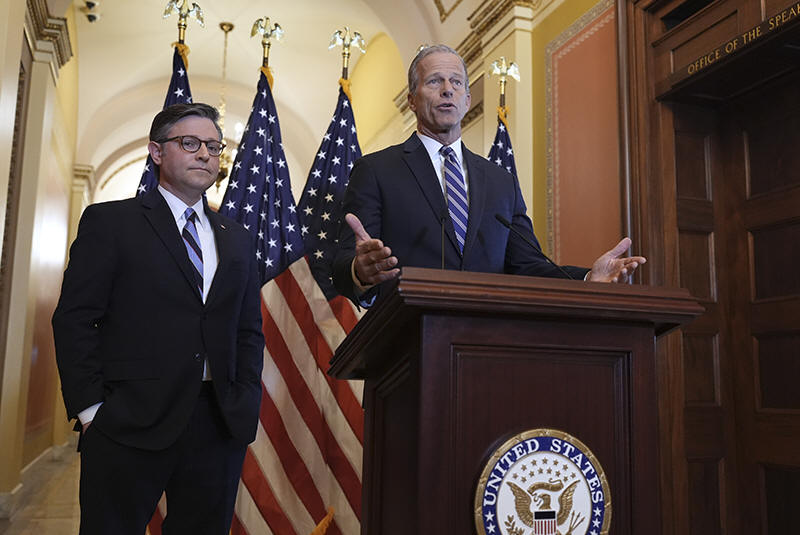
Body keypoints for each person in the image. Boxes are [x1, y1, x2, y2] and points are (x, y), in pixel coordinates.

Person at [52, 103, 265, 535]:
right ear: (156, 151)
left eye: (213, 146)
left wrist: (244, 399)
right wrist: (92, 412)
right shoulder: (112, 222)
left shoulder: (237, 238)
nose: (205, 154)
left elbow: (247, 331)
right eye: (190, 143)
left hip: (218, 423)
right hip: (127, 420)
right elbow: (75, 319)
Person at [332, 44, 645, 303]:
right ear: (412, 100)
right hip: (407, 338)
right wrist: (360, 271)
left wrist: (588, 278)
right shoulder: (376, 170)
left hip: (485, 339)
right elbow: (342, 265)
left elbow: (528, 265)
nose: (447, 90)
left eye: (456, 83)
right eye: (434, 81)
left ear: (467, 101)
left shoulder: (501, 181)